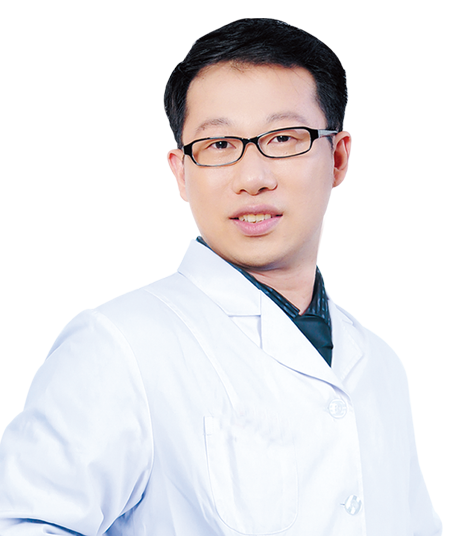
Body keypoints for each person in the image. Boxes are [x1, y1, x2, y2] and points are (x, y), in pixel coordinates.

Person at [0, 18, 440, 536]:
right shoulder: (118, 348)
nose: (252, 178)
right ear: (181, 173)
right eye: (219, 145)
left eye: (283, 138)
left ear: (339, 158)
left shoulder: (379, 365)